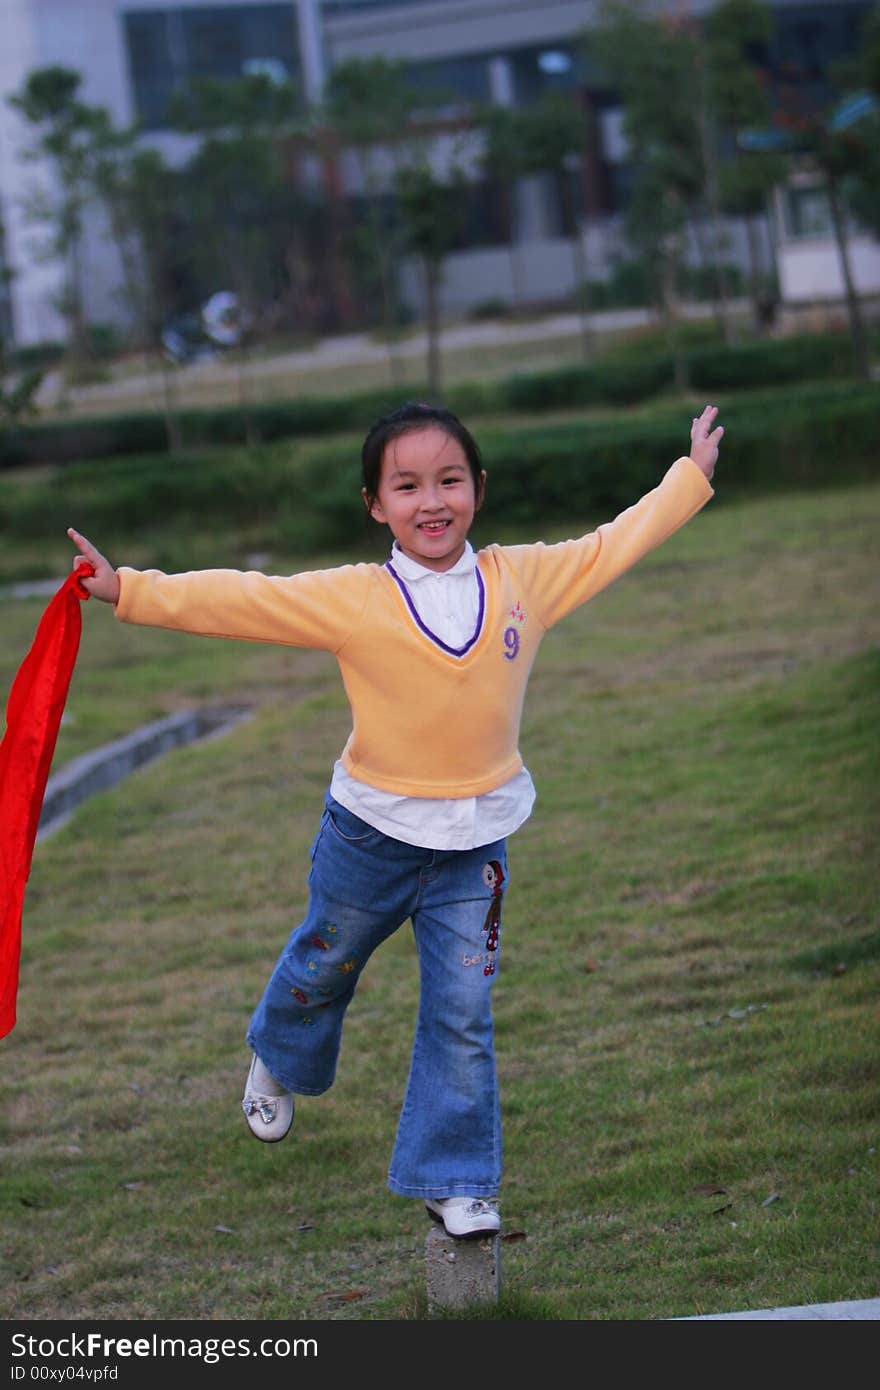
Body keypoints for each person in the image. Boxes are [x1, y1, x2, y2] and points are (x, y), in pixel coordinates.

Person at [67, 400, 722, 1238]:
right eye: (406, 486)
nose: (431, 501)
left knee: (462, 1010)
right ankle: (277, 1050)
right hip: (368, 837)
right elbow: (247, 599)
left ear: (478, 489)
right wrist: (129, 589)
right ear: (376, 504)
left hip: (475, 846)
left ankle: (456, 1181)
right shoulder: (354, 598)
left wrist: (688, 478)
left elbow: (610, 544)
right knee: (324, 964)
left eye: (449, 480)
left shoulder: (523, 580)